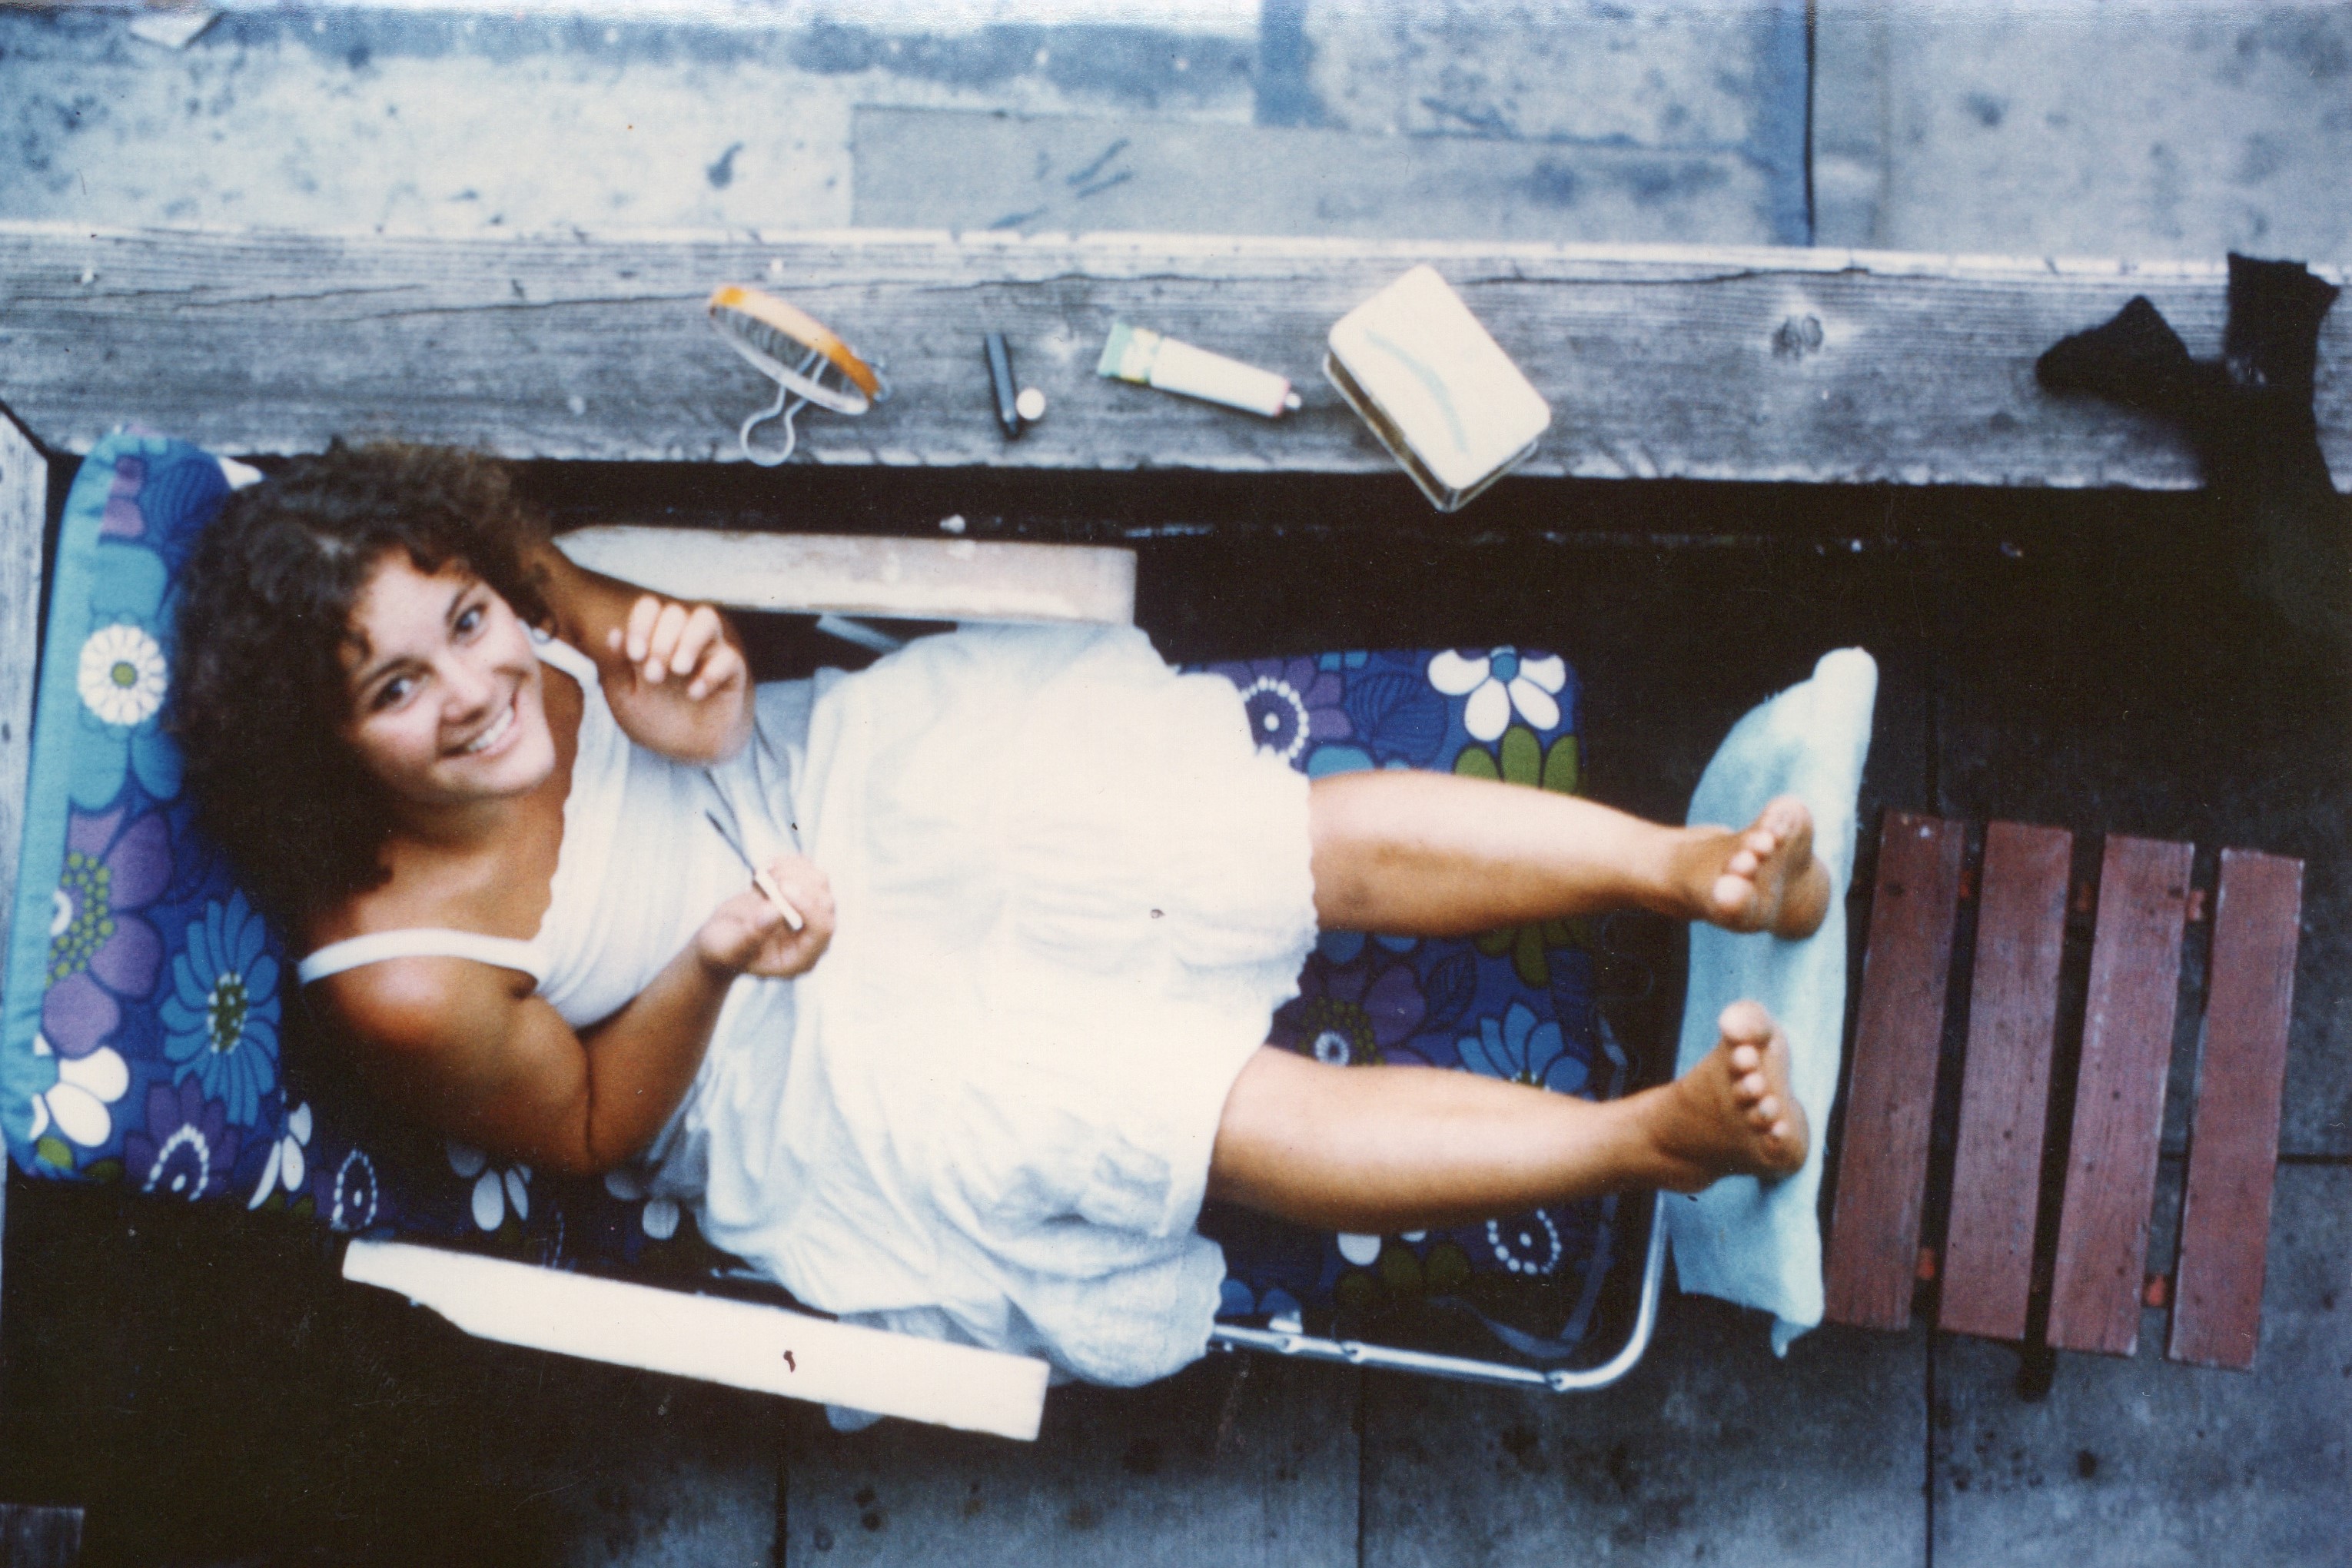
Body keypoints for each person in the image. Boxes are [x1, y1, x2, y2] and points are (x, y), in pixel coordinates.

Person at [172, 443, 1823, 1385]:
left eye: (468, 625)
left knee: (1237, 837)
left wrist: (695, 689)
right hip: (778, 1061)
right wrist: (719, 955)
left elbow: (685, 685)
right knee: (1171, 1109)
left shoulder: (504, 588)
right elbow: (601, 1127)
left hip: (840, 789)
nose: (474, 687)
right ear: (322, 745)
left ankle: (1687, 867)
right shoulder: (401, 976)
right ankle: (1653, 1143)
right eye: (397, 690)